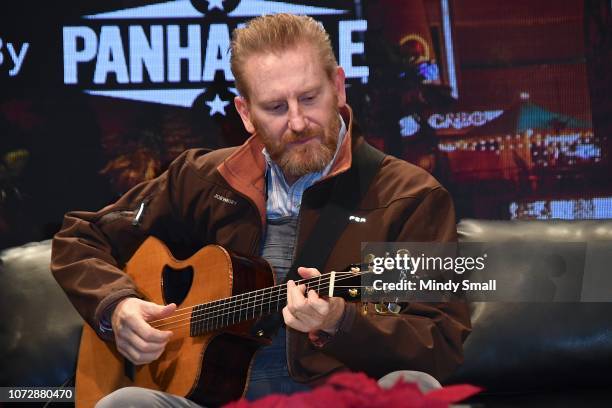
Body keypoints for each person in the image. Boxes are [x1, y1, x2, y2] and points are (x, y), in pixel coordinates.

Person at [51, 13, 471, 407]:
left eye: (309, 98)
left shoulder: (408, 197)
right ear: (246, 114)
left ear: (339, 87)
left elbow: (438, 344)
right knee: (124, 402)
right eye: (274, 107)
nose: (298, 122)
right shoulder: (203, 179)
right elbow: (80, 238)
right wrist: (117, 308)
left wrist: (342, 322)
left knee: (415, 390)